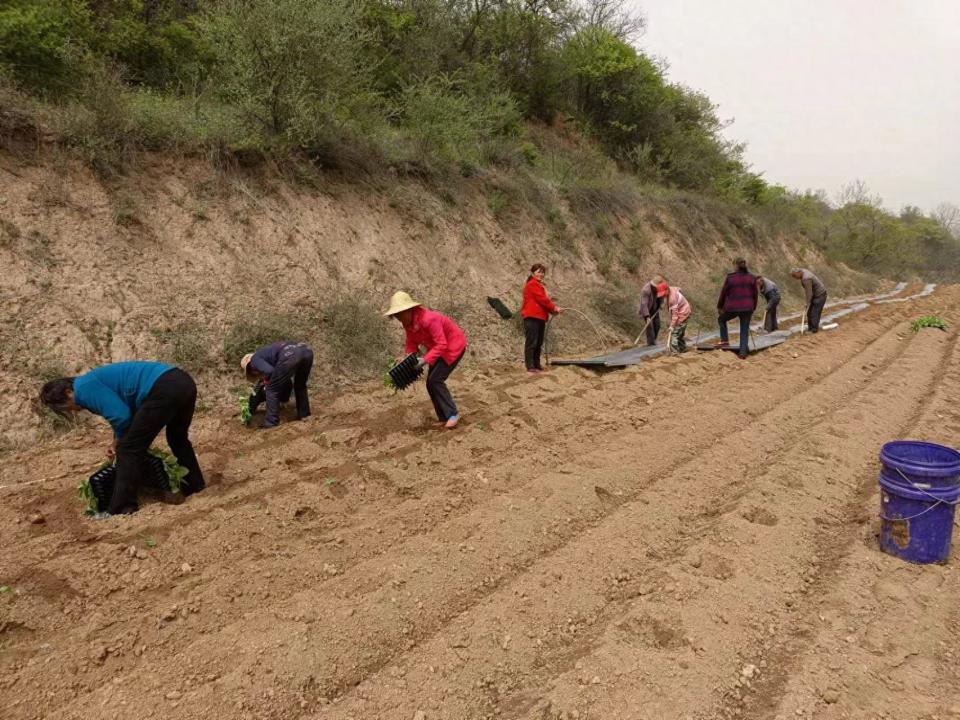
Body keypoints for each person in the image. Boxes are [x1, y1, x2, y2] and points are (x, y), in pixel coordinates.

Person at [39, 361, 204, 515]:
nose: (73, 411)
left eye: (66, 407)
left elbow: (121, 417)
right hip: (182, 382)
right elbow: (125, 413)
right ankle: (194, 485)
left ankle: (122, 506)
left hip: (163, 388)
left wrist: (119, 443)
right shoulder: (90, 381)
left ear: (68, 392)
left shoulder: (83, 389)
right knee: (177, 438)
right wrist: (116, 440)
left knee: (128, 449)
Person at [385, 291, 467, 429]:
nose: (398, 318)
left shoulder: (429, 319)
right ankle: (443, 417)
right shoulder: (408, 324)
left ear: (409, 309)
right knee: (430, 383)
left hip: (453, 347)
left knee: (435, 380)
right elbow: (411, 344)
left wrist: (425, 360)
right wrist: (406, 358)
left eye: (400, 314)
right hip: (438, 350)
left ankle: (452, 414)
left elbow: (442, 344)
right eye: (396, 315)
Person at [241, 341, 314, 428]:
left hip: (290, 355)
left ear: (250, 368)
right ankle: (304, 415)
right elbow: (284, 380)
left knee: (271, 389)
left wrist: (267, 383)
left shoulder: (254, 360)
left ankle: (271, 422)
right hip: (306, 351)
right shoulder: (267, 355)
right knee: (300, 385)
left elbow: (270, 372)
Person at [520, 263, 563, 374]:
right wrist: (554, 308)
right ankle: (530, 366)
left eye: (542, 272)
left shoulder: (539, 285)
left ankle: (537, 364)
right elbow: (543, 300)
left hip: (540, 318)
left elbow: (543, 303)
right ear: (533, 273)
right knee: (532, 342)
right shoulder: (532, 284)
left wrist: (553, 311)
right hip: (531, 317)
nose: (541, 274)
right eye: (539, 272)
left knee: (538, 342)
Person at [716, 258, 758, 359]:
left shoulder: (730, 278)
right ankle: (743, 352)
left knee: (721, 319)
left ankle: (725, 343)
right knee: (744, 328)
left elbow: (723, 293)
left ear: (736, 265)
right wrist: (753, 307)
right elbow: (755, 295)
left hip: (732, 307)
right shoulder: (752, 278)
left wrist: (720, 306)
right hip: (748, 307)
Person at [658, 281, 692, 353]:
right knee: (680, 333)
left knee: (675, 333)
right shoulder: (672, 288)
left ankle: (674, 352)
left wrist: (672, 326)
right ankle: (682, 348)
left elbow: (675, 315)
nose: (663, 296)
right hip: (685, 309)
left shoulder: (672, 299)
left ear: (667, 290)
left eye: (663, 294)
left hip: (683, 313)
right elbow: (679, 289)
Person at [791, 268, 828, 333]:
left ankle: (813, 330)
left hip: (820, 295)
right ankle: (811, 328)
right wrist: (808, 302)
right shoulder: (803, 271)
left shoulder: (806, 278)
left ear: (798, 273)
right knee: (810, 313)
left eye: (794, 276)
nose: (795, 278)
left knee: (814, 313)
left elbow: (809, 293)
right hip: (816, 295)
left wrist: (807, 303)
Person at [638, 276, 664, 346]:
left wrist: (661, 304)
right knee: (650, 326)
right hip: (647, 310)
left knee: (657, 325)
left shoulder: (660, 288)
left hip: (655, 309)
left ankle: (654, 340)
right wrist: (647, 316)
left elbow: (662, 296)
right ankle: (651, 344)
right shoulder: (646, 290)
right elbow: (644, 304)